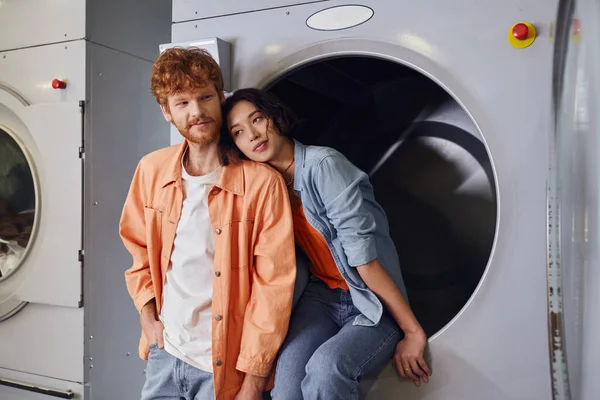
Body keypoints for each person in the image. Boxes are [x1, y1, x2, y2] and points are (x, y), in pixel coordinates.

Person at [221, 88, 432, 399]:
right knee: (285, 386)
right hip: (322, 297)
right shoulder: (265, 184)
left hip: (370, 298)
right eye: (239, 132)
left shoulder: (323, 165)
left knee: (325, 370)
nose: (253, 135)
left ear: (275, 116)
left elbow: (365, 261)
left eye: (257, 119)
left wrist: (413, 332)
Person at [119, 48, 297, 400]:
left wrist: (253, 383)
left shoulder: (262, 184)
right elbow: (137, 248)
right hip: (164, 353)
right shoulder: (151, 170)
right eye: (182, 102)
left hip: (226, 366)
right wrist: (147, 315)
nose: (197, 111)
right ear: (166, 112)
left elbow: (273, 289)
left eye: (204, 97)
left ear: (221, 98)